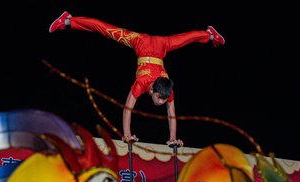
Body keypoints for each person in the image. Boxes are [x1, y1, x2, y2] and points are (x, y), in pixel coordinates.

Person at [49, 11, 225, 146]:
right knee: (104, 28)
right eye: (160, 98)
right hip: (140, 43)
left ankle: (210, 35)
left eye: (164, 99)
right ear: (152, 90)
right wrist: (127, 134)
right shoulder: (141, 84)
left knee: (187, 38)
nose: (162, 101)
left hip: (161, 46)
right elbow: (127, 109)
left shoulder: (167, 89)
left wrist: (172, 139)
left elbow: (172, 114)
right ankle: (68, 20)